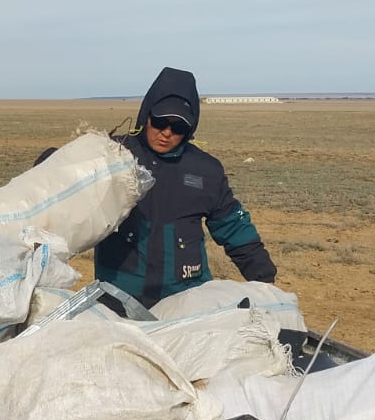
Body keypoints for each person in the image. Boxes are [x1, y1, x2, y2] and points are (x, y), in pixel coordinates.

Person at [91, 66, 276, 306]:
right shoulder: (112, 154)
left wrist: (264, 281)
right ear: (146, 116)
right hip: (118, 297)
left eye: (178, 127)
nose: (166, 133)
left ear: (190, 129)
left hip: (185, 300)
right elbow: (63, 177)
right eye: (160, 122)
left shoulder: (206, 170)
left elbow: (233, 227)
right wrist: (51, 160)